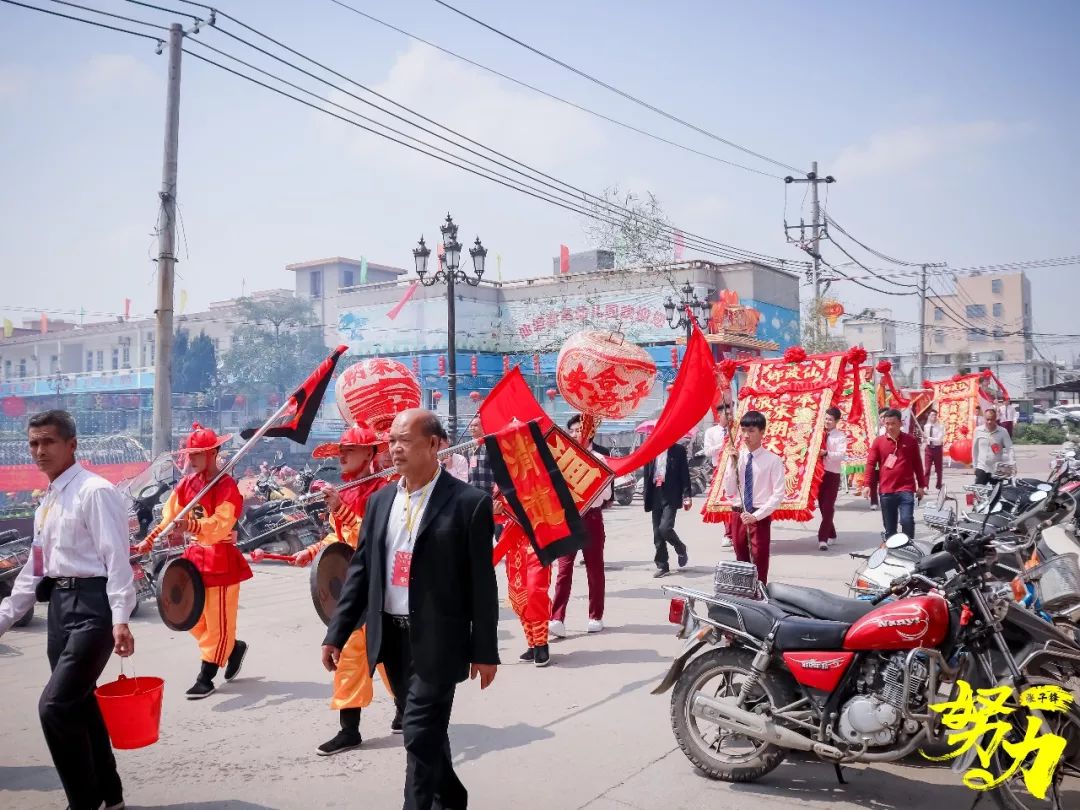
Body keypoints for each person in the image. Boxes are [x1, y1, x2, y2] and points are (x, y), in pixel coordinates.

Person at [323, 409, 499, 810]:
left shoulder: (468, 504)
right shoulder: (381, 500)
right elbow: (361, 571)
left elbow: (482, 585)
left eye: (404, 440)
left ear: (435, 444)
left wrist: (485, 650)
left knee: (418, 732)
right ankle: (452, 799)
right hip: (392, 641)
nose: (395, 449)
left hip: (440, 639)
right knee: (429, 732)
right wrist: (337, 632)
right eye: (391, 441)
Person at [0, 410, 135, 810]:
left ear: (72, 445)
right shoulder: (49, 500)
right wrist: (5, 618)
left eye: (48, 442)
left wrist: (122, 618)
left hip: (93, 609)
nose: (39, 451)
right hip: (59, 608)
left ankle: (84, 801)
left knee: (55, 707)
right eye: (33, 443)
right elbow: (35, 568)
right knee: (80, 703)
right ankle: (111, 796)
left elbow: (117, 559)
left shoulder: (95, 491)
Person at [290, 422, 398, 755]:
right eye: (342, 450)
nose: (343, 455)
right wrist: (312, 552)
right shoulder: (347, 490)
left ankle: (408, 709)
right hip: (353, 592)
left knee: (392, 655)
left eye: (350, 449)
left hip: (383, 588)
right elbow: (338, 539)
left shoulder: (387, 491)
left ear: (370, 453)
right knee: (350, 656)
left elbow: (373, 539)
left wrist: (342, 510)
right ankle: (349, 729)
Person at [139, 422, 252, 699]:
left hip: (221, 559)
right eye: (189, 453)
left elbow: (220, 525)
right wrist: (151, 538)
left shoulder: (226, 487)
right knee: (188, 616)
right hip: (193, 561)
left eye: (197, 454)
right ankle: (231, 647)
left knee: (217, 622)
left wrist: (190, 525)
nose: (190, 459)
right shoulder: (188, 484)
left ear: (213, 453)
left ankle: (206, 675)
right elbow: (169, 516)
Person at [550, 414, 613, 639]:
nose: (576, 434)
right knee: (564, 570)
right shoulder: (562, 460)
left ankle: (595, 616)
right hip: (568, 520)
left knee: (595, 569)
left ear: (590, 432)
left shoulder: (599, 458)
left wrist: (590, 479)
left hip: (591, 518)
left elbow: (606, 494)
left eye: (579, 429)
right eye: (573, 431)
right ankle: (557, 618)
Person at [720, 410, 787, 584]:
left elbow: (778, 494)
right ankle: (744, 594)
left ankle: (760, 593)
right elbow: (730, 491)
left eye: (751, 431)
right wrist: (732, 466)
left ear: (762, 432)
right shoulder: (738, 457)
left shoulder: (773, 460)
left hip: (759, 515)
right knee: (741, 559)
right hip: (738, 514)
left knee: (760, 558)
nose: (746, 435)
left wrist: (756, 516)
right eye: (743, 430)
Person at [863, 408, 926, 540]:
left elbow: (917, 464)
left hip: (906, 488)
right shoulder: (878, 442)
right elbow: (870, 464)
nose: (890, 427)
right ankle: (893, 551)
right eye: (887, 424)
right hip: (886, 490)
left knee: (907, 520)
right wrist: (867, 484)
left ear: (900, 423)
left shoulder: (911, 441)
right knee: (890, 527)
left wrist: (921, 485)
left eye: (893, 423)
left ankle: (909, 546)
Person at [643, 437, 692, 578]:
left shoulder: (678, 450)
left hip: (671, 494)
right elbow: (647, 472)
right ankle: (662, 565)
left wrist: (687, 495)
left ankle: (680, 547)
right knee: (657, 533)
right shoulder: (650, 450)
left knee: (665, 528)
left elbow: (684, 474)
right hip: (655, 493)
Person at [817, 407, 847, 552]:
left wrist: (826, 453)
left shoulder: (840, 436)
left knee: (828, 506)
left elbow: (841, 455)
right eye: (826, 418)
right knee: (822, 506)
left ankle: (822, 539)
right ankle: (832, 533)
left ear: (836, 421)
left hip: (832, 474)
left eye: (830, 419)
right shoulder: (818, 433)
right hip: (818, 474)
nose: (827, 421)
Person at [973, 406, 1014, 485]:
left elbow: (1010, 449)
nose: (989, 422)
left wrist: (1012, 464)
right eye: (987, 419)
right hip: (982, 467)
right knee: (979, 494)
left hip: (998, 468)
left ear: (995, 419)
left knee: (996, 494)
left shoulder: (1003, 431)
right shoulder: (978, 431)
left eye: (991, 419)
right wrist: (975, 466)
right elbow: (975, 450)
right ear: (984, 419)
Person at [923, 408, 945, 490]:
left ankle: (939, 485)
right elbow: (926, 439)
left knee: (938, 469)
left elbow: (939, 439)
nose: (934, 417)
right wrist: (924, 439)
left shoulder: (940, 427)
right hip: (928, 449)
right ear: (929, 416)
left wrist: (928, 438)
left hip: (937, 449)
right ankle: (925, 485)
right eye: (932, 415)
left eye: (935, 415)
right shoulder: (926, 426)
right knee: (927, 469)